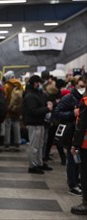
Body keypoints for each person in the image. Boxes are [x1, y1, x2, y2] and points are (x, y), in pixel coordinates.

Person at [52, 76, 86, 195]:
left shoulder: (84, 98)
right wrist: (72, 113)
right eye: (81, 86)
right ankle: (72, 184)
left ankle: (78, 181)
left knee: (79, 160)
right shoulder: (69, 98)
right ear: (75, 85)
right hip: (71, 133)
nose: (83, 88)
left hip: (80, 134)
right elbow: (56, 113)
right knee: (72, 159)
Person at [23, 75, 53, 174]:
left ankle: (39, 163)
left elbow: (43, 100)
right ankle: (32, 165)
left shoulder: (36, 93)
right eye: (38, 83)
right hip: (33, 123)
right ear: (34, 83)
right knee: (34, 146)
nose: (40, 84)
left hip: (39, 123)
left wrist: (48, 102)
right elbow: (33, 111)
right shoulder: (30, 95)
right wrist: (47, 109)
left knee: (39, 145)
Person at [70, 83, 87, 215]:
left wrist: (75, 145)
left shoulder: (85, 103)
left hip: (85, 146)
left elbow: (81, 127)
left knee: (85, 174)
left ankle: (85, 204)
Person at [3, 71, 23, 151]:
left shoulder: (7, 85)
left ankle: (7, 143)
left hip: (9, 108)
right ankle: (17, 142)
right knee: (16, 125)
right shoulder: (20, 84)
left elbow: (5, 97)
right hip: (17, 109)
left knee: (8, 126)